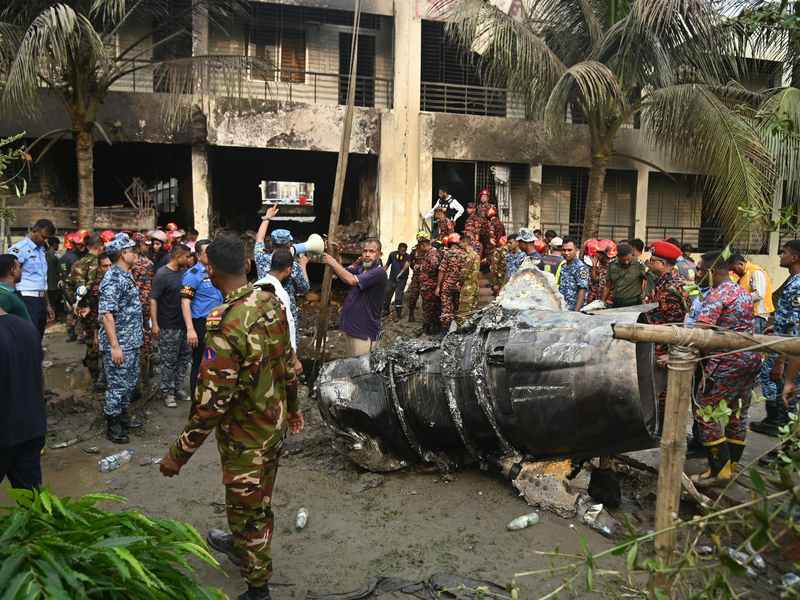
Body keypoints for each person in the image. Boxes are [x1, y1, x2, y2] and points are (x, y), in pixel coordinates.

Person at [159, 236, 302, 600]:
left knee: (248, 509)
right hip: (273, 426)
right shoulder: (271, 301)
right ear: (249, 266)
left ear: (209, 272)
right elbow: (288, 364)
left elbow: (210, 405)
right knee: (259, 500)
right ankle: (242, 544)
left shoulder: (223, 325)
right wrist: (295, 407)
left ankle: (258, 589)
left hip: (245, 438)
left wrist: (179, 454)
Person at [690, 251, 761, 487]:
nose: (697, 274)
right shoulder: (742, 291)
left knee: (705, 412)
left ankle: (718, 471)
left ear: (712, 271)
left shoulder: (717, 295)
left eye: (700, 270)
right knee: (737, 413)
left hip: (725, 363)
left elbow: (701, 330)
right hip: (750, 361)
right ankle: (730, 467)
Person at [98, 233, 144, 444]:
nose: (134, 254)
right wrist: (115, 347)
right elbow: (107, 315)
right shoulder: (112, 279)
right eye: (131, 251)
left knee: (129, 382)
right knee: (117, 385)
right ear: (123, 255)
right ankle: (112, 425)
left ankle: (122, 416)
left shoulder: (125, 274)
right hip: (120, 344)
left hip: (132, 340)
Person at [752, 241, 800, 439]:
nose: (781, 255)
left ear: (795, 258)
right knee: (783, 399)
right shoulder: (792, 280)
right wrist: (777, 326)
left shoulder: (798, 286)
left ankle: (786, 452)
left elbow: (797, 330)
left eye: (785, 252)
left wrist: (780, 361)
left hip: (789, 355)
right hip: (783, 348)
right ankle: (781, 443)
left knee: (788, 400)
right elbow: (790, 319)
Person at [0, 304, 46, 491]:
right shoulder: (27, 328)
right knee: (33, 504)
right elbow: (41, 380)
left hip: (4, 431)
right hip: (31, 428)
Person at [643, 241, 689, 427]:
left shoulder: (671, 288)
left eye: (652, 260)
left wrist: (670, 353)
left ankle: (664, 427)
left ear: (662, 264)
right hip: (657, 343)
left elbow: (676, 325)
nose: (649, 263)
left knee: (665, 389)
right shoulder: (664, 282)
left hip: (665, 348)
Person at [254, 205, 310, 343]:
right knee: (288, 345)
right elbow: (305, 288)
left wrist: (267, 218)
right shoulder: (294, 266)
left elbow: (259, 239)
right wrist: (303, 265)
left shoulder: (261, 257)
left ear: (271, 243)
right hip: (286, 312)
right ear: (289, 245)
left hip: (264, 309)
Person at [323, 238, 387, 357]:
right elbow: (341, 271)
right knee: (351, 366)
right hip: (353, 328)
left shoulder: (378, 272)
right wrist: (336, 253)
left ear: (380, 254)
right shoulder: (362, 269)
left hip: (364, 332)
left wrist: (331, 261)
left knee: (361, 370)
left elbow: (351, 280)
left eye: (372, 251)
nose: (367, 255)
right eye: (364, 251)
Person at [151, 243, 192, 408]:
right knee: (169, 361)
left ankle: (177, 388)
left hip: (184, 324)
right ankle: (167, 392)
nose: (189, 259)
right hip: (168, 325)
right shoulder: (162, 274)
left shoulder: (183, 273)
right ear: (178, 256)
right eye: (187, 256)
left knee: (184, 358)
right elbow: (153, 299)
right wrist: (154, 323)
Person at [181, 239, 224, 397]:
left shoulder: (216, 271)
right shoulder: (192, 275)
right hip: (201, 325)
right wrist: (190, 330)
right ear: (198, 255)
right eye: (208, 252)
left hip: (218, 323)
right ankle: (196, 401)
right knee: (200, 365)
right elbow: (185, 303)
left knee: (217, 363)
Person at [7, 219, 56, 338]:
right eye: (43, 237)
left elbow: (41, 279)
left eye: (48, 238)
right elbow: (8, 275)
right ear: (34, 231)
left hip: (40, 300)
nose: (46, 241)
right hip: (25, 298)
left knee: (37, 337)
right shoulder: (19, 249)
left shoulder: (41, 250)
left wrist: (48, 304)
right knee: (26, 336)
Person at [67, 234, 105, 389]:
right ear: (101, 247)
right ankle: (104, 379)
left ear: (88, 246)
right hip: (97, 312)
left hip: (81, 312)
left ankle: (95, 377)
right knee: (104, 343)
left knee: (90, 343)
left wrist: (75, 306)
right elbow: (99, 290)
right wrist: (91, 307)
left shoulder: (77, 264)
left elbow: (68, 285)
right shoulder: (102, 265)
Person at [727, 254, 773, 335]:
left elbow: (759, 294)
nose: (734, 272)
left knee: (754, 342)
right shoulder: (744, 275)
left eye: (734, 269)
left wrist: (739, 298)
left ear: (741, 264)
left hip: (757, 315)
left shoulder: (756, 272)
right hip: (749, 315)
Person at [131, 233, 155, 381]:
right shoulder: (149, 263)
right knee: (147, 333)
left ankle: (139, 365)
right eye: (145, 244)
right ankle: (148, 364)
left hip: (134, 305)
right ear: (139, 245)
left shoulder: (128, 262)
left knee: (135, 334)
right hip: (146, 304)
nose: (148, 247)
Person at [436, 233, 465, 335]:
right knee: (458, 309)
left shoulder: (447, 253)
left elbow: (441, 270)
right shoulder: (463, 254)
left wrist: (438, 287)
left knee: (446, 309)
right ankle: (459, 332)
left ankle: (444, 332)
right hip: (459, 286)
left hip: (447, 286)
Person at [601, 244, 647, 308]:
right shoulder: (612, 265)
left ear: (631, 254)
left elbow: (650, 279)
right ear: (618, 256)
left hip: (634, 304)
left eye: (628, 259)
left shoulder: (639, 265)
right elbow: (608, 286)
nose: (626, 262)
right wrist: (602, 303)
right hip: (617, 304)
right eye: (623, 260)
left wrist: (644, 297)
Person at [60, 233, 84, 342]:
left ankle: (70, 333)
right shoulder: (74, 258)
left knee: (70, 310)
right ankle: (80, 333)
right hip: (73, 288)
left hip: (65, 286)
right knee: (77, 310)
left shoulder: (62, 257)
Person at [414, 237, 441, 336]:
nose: (419, 249)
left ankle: (426, 328)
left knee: (428, 307)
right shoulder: (429, 254)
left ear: (424, 245)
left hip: (430, 286)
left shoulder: (432, 254)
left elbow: (435, 266)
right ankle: (434, 327)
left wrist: (428, 275)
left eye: (420, 246)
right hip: (428, 285)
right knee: (432, 308)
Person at [403, 231, 429, 323]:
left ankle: (426, 317)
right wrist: (402, 271)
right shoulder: (415, 251)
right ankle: (411, 313)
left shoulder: (431, 250)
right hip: (417, 278)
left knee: (426, 298)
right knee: (413, 296)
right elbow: (409, 262)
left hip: (427, 279)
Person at [558, 237, 589, 311]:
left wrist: (576, 312)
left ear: (576, 250)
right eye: (564, 250)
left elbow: (582, 290)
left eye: (569, 250)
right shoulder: (564, 265)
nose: (566, 253)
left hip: (574, 309)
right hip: (563, 308)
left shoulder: (580, 268)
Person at [0, 255, 32, 323]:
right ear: (13, 271)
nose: (21, 271)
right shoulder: (4, 295)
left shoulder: (10, 292)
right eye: (20, 267)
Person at [382, 243, 409, 319]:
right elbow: (387, 264)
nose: (403, 253)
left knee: (398, 297)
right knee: (386, 295)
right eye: (401, 251)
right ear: (398, 249)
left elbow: (412, 266)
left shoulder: (408, 257)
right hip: (392, 279)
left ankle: (398, 315)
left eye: (404, 251)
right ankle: (386, 311)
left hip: (402, 280)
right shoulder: (392, 255)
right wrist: (382, 271)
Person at [458, 233, 480, 323]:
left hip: (468, 287)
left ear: (465, 243)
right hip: (475, 286)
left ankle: (463, 333)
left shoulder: (469, 256)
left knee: (464, 312)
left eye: (460, 243)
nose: (459, 245)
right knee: (473, 312)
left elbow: (464, 273)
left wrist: (459, 283)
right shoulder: (476, 255)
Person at [588, 240, 616, 304]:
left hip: (610, 303)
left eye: (599, 253)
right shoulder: (602, 265)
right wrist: (594, 265)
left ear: (605, 253)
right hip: (601, 302)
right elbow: (594, 280)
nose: (598, 255)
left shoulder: (614, 267)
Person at [46, 237, 61, 320]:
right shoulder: (56, 255)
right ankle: (53, 320)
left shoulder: (44, 253)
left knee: (49, 302)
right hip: (55, 283)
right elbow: (60, 269)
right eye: (58, 245)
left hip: (47, 283)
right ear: (55, 244)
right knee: (55, 304)